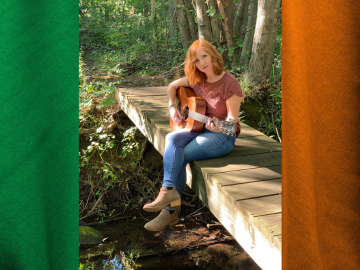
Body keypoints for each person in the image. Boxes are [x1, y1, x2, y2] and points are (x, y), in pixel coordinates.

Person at [142, 39, 244, 231]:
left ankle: (169, 211)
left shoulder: (230, 83)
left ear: (213, 54)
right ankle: (168, 193)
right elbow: (172, 86)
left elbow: (232, 124)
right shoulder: (197, 78)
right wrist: (173, 107)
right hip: (198, 128)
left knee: (180, 155)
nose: (202, 63)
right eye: (196, 60)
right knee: (172, 139)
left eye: (204, 56)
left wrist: (219, 127)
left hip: (221, 136)